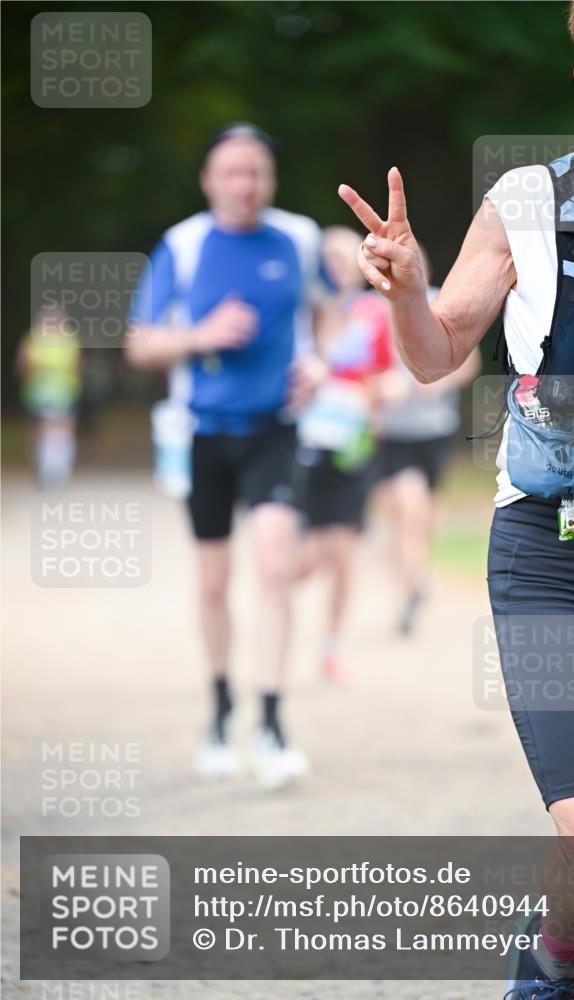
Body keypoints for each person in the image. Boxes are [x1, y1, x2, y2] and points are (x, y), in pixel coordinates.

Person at [339, 1, 574, 997]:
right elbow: (436, 353)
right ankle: (546, 954)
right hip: (549, 555)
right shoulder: (529, 199)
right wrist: (404, 289)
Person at [126, 123, 325, 789]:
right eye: (231, 172)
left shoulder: (298, 239)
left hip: (276, 428)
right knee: (213, 581)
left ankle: (270, 723)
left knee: (273, 562)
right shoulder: (182, 246)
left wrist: (320, 364)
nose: (244, 184)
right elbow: (139, 345)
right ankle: (219, 709)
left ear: (269, 178)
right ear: (209, 179)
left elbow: (338, 311)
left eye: (256, 172)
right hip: (202, 434)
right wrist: (201, 334)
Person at [294, 226, 393, 682]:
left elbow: (390, 373)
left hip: (353, 441)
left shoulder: (375, 312)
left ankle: (331, 646)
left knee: (344, 552)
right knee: (305, 556)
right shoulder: (303, 314)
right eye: (327, 255)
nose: (335, 263)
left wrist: (382, 399)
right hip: (304, 441)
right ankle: (275, 616)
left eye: (343, 255)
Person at [372, 246, 481, 635]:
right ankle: (410, 588)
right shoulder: (370, 311)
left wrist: (438, 381)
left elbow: (469, 364)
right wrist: (378, 388)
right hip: (388, 432)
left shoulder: (441, 301)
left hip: (433, 429)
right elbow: (352, 368)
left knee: (420, 516)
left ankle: (410, 584)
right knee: (404, 506)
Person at [16, 307, 82, 490]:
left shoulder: (33, 338)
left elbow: (23, 365)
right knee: (62, 432)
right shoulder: (69, 339)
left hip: (37, 393)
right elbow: (78, 366)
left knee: (38, 433)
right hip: (64, 392)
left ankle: (41, 470)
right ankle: (59, 470)